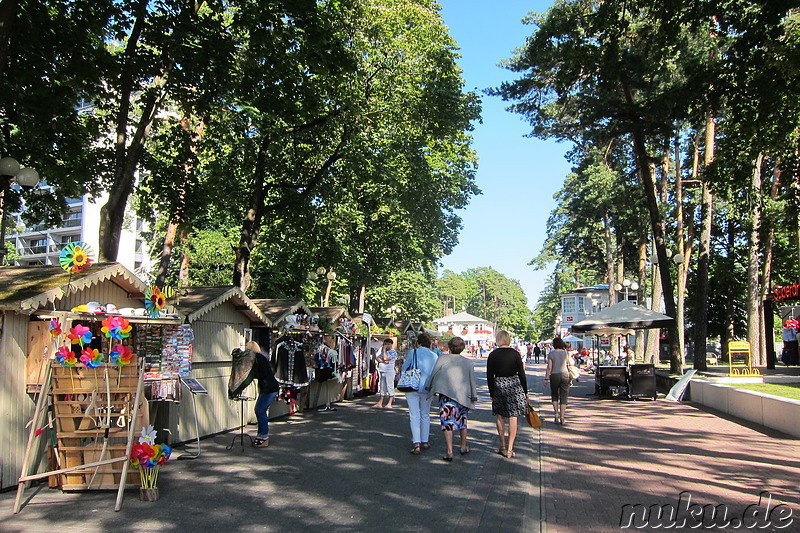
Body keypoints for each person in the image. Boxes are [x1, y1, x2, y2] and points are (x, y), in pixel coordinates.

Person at [426, 336, 477, 462]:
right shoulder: (468, 362)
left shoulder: (442, 359)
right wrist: (474, 396)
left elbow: (433, 373)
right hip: (463, 396)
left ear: (450, 347)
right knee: (462, 421)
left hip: (446, 395)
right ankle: (463, 447)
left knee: (447, 422)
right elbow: (472, 380)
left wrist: (429, 386)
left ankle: (449, 451)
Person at [486, 330, 528, 458]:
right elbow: (521, 373)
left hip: (499, 385)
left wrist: (491, 392)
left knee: (499, 416)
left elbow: (489, 376)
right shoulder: (515, 354)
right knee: (513, 416)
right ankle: (510, 448)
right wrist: (525, 392)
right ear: (508, 339)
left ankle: (502, 446)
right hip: (514, 385)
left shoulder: (492, 355)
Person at [401, 332, 438, 455]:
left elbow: (405, 367)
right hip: (427, 387)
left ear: (419, 342)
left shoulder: (413, 352)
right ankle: (425, 441)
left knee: (414, 414)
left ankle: (416, 443)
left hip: (412, 386)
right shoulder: (434, 356)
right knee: (425, 414)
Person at [249, 341, 280, 448]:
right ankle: (261, 435)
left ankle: (264, 436)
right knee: (259, 410)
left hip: (269, 388)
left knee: (260, 410)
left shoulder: (258, 359)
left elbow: (258, 373)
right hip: (269, 387)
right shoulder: (261, 358)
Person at [544, 337, 574, 425]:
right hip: (565, 374)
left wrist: (546, 378)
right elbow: (571, 363)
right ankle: (562, 416)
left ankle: (556, 414)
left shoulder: (551, 354)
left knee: (554, 394)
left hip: (554, 375)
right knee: (564, 395)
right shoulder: (566, 353)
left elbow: (549, 367)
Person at [372, 338, 397, 408]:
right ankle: (380, 402)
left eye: (388, 344)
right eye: (385, 344)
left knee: (390, 386)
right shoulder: (383, 352)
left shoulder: (393, 352)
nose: (386, 346)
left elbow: (386, 359)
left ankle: (390, 403)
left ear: (391, 345)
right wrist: (383, 360)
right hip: (382, 371)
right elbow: (378, 358)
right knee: (382, 387)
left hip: (389, 371)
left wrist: (383, 351)